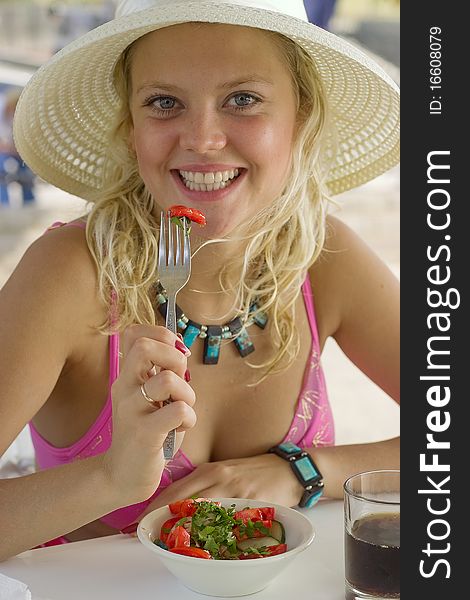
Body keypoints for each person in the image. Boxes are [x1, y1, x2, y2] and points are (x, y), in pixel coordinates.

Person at [0, 0, 399, 559]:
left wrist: (308, 470)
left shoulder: (321, 255)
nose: (203, 139)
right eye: (165, 103)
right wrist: (112, 479)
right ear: (131, 127)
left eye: (243, 99)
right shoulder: (70, 273)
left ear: (300, 117)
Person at [0, 87, 35, 206]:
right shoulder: (2, 110)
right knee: (2, 169)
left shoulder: (26, 117)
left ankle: (29, 200)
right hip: (5, 150)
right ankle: (3, 202)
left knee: (26, 169)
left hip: (18, 149)